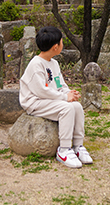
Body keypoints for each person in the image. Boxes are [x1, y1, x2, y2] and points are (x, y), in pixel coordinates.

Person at [19, 26, 93, 168]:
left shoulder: (54, 63)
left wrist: (69, 93)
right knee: (66, 108)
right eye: (61, 42)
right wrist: (65, 98)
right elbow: (41, 91)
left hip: (50, 100)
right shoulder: (36, 64)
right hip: (35, 102)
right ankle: (64, 150)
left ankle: (78, 146)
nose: (62, 44)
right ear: (55, 47)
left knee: (76, 106)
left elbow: (60, 84)